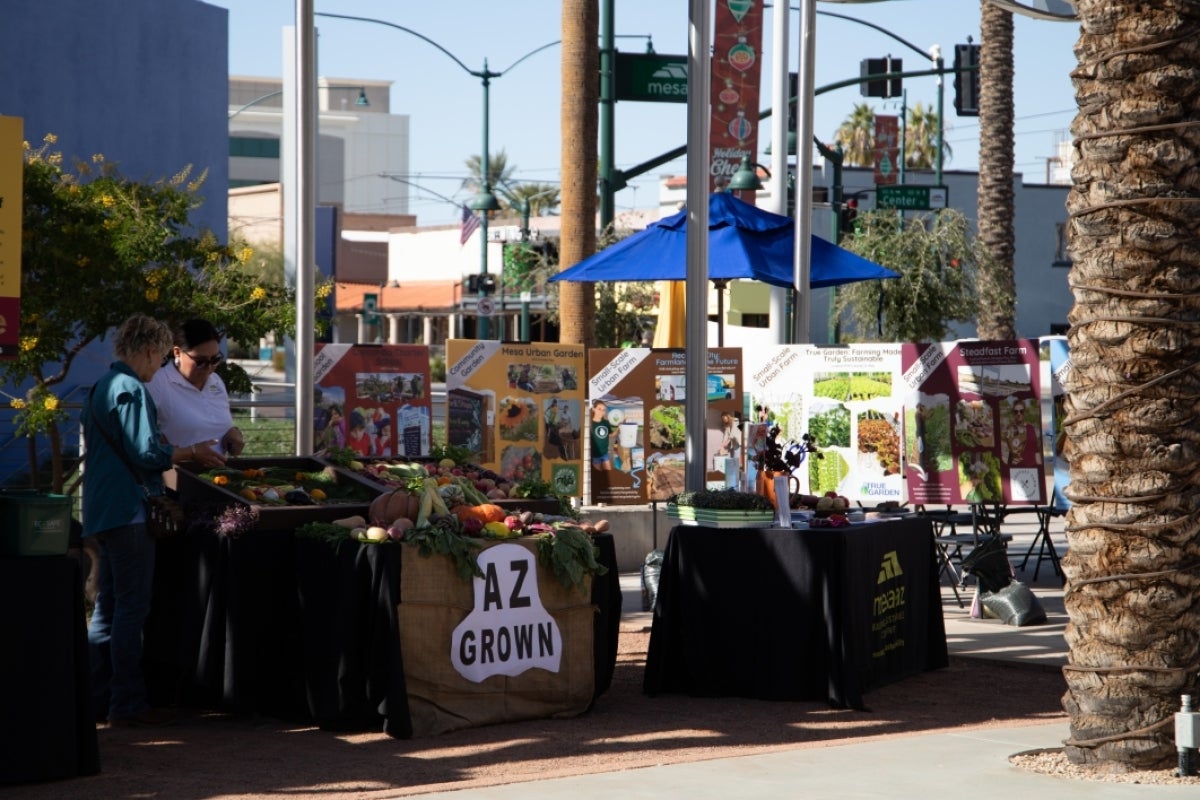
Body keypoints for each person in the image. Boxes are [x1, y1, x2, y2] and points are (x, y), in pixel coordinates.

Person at [84, 314, 220, 727]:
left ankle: (98, 697)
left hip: (102, 510)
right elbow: (147, 454)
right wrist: (190, 452)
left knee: (106, 610)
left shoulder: (103, 386)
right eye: (160, 357)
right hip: (128, 511)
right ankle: (126, 702)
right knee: (130, 609)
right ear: (147, 351)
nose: (159, 366)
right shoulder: (130, 388)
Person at [147, 318, 241, 466]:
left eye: (215, 359)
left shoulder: (216, 380)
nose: (209, 367)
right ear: (177, 352)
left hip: (218, 476)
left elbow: (218, 423)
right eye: (200, 361)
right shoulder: (157, 383)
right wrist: (190, 452)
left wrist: (233, 433)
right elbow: (145, 444)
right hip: (177, 479)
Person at [591, 400, 613, 470]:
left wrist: (619, 429)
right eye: (599, 409)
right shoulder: (590, 423)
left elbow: (610, 435)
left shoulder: (606, 422)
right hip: (595, 456)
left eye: (603, 410)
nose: (601, 411)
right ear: (593, 409)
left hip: (605, 454)